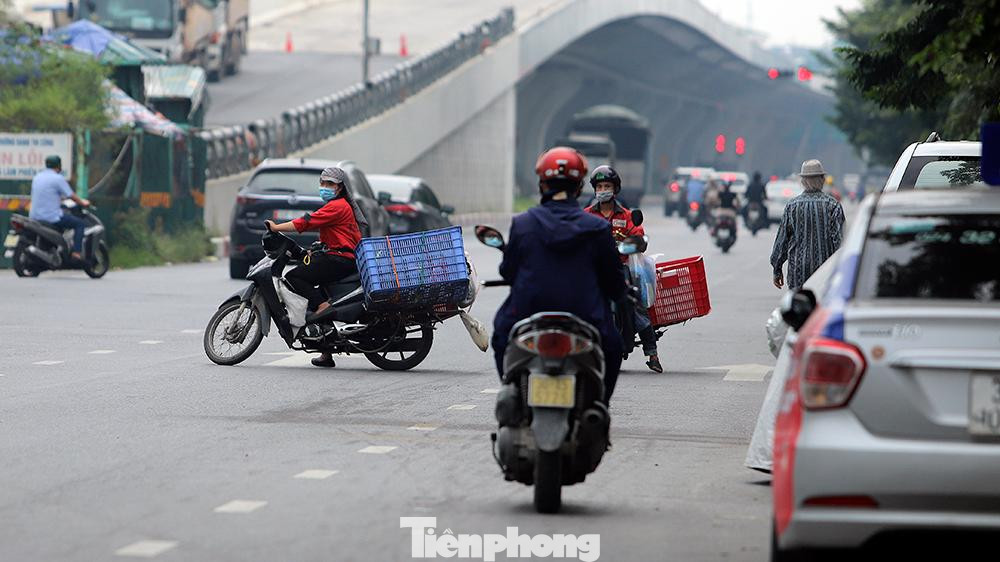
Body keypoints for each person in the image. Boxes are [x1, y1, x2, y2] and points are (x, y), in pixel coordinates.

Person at [489, 148, 626, 403]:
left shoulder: (523, 223)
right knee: (614, 347)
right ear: (579, 186)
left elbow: (508, 271)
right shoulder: (597, 228)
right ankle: (599, 406)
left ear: (542, 184)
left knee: (499, 336)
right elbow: (614, 282)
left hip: (526, 313)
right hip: (587, 316)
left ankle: (512, 394)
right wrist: (620, 291)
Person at [264, 166, 367, 368]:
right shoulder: (339, 205)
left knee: (295, 278)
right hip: (338, 256)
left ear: (339, 188)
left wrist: (276, 227)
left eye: (330, 184)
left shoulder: (337, 206)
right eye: (322, 183)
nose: (325, 187)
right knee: (317, 292)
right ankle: (326, 352)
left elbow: (306, 222)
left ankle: (323, 307)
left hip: (340, 259)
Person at [584, 165, 663, 373]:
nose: (603, 190)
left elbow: (638, 235)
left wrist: (635, 240)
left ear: (615, 189)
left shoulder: (627, 215)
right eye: (599, 186)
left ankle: (652, 353)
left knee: (634, 303)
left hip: (620, 269)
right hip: (593, 270)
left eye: (607, 186)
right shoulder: (586, 215)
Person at [770, 159, 846, 291]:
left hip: (797, 273)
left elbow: (782, 241)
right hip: (824, 273)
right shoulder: (833, 206)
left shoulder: (792, 206)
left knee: (798, 308)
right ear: (822, 179)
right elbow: (839, 243)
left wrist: (777, 269)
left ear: (803, 181)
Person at [29, 155, 90, 261]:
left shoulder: (37, 177)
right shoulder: (57, 178)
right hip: (51, 217)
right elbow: (71, 195)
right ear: (59, 166)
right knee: (80, 224)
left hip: (34, 216)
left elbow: (46, 195)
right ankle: (76, 253)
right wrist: (83, 203)